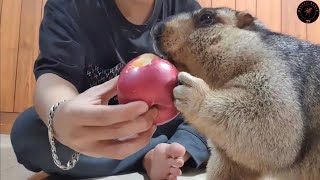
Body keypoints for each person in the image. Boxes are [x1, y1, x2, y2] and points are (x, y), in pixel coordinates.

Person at [10, 0, 210, 179]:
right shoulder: (69, 5)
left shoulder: (187, 11)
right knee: (28, 133)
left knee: (216, 120)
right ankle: (152, 155)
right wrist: (62, 117)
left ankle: (174, 151)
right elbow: (54, 75)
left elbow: (207, 91)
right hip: (96, 128)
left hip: (166, 123)